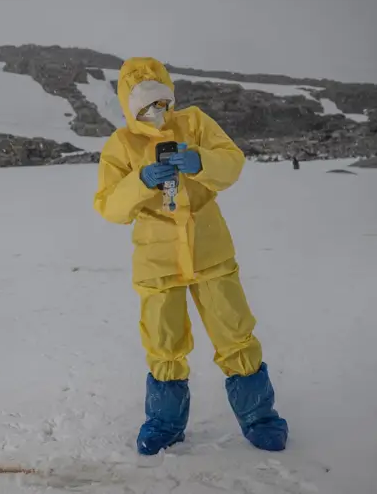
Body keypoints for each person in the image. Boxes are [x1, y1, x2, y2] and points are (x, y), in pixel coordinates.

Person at [93, 57, 288, 456]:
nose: (157, 112)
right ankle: (165, 423)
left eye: (163, 102)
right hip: (157, 260)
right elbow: (109, 207)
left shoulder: (195, 122)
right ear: (131, 107)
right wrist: (140, 181)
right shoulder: (121, 145)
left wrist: (201, 161)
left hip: (210, 249)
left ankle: (260, 417)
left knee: (235, 332)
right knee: (163, 341)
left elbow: (232, 162)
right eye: (147, 106)